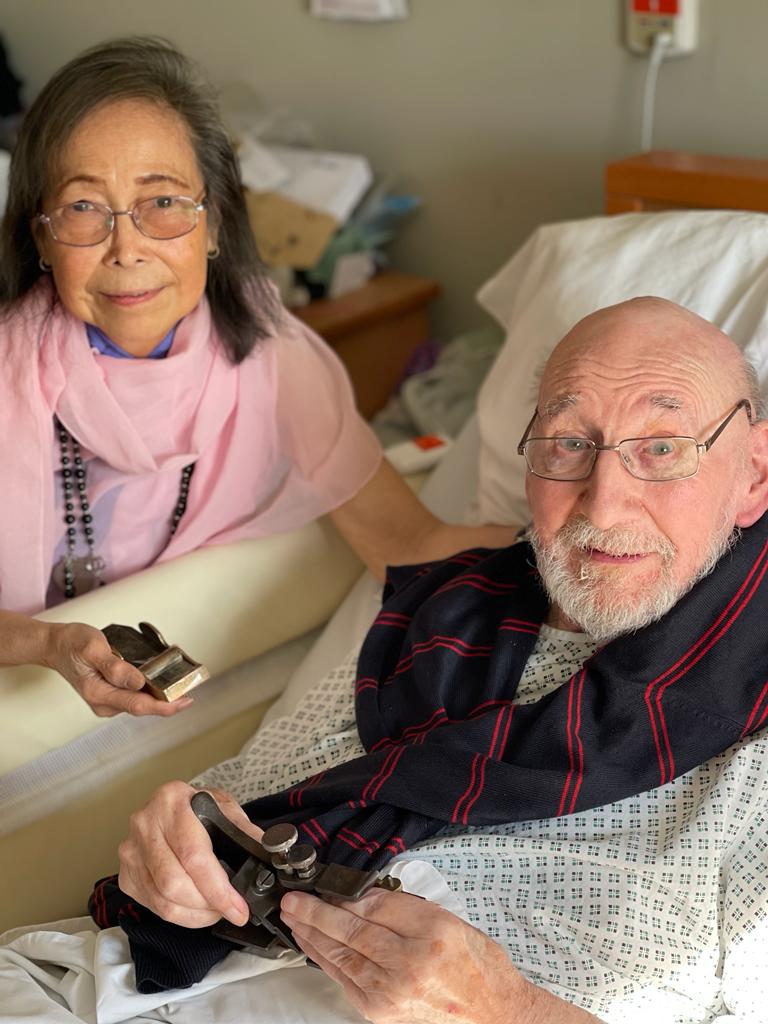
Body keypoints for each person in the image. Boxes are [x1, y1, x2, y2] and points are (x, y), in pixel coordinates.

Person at [88, 296, 768, 1023]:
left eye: (661, 448)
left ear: (756, 475)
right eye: (568, 443)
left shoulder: (748, 736)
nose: (603, 507)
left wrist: (510, 1010)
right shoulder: (444, 615)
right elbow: (249, 805)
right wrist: (174, 843)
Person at [0, 36, 516, 720]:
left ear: (213, 223)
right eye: (84, 209)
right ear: (40, 237)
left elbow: (409, 545)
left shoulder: (274, 356)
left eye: (162, 203)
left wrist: (572, 548)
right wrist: (48, 643)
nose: (127, 250)